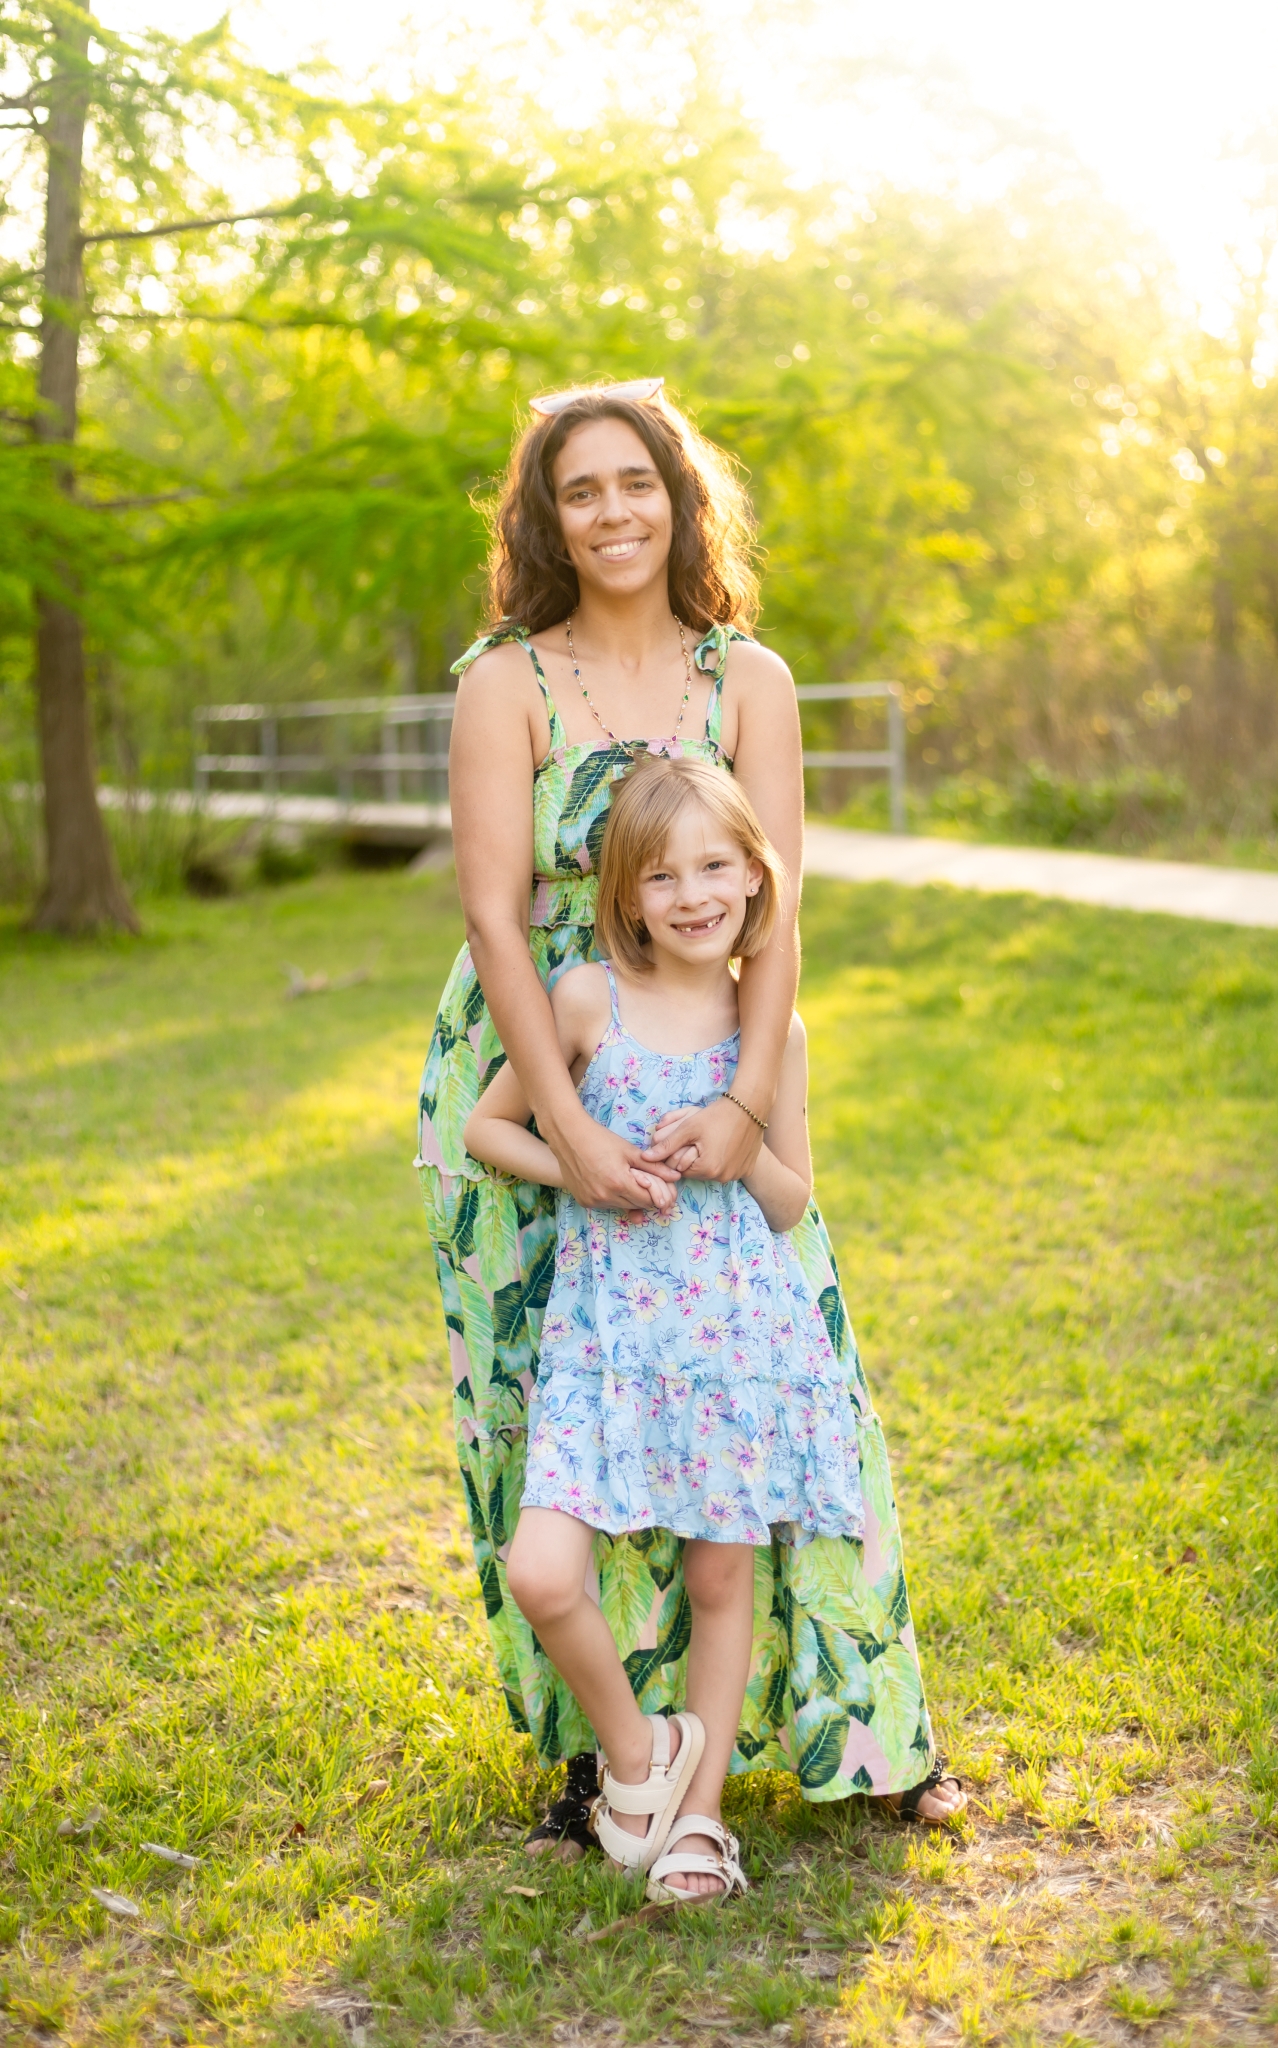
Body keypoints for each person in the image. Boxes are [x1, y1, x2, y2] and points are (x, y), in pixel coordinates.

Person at [414, 377, 965, 1862]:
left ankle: (862, 1733)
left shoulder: (749, 679)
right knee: (559, 1408)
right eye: (579, 490)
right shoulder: (504, 682)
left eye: (636, 482)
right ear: (546, 518)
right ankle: (607, 1754)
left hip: (716, 1059)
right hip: (538, 1058)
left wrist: (742, 1100)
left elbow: (778, 909)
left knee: (778, 1377)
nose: (612, 513)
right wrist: (572, 1136)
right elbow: (492, 913)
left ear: (679, 498)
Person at [464, 756, 866, 1900]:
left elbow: (792, 1197)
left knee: (720, 1579)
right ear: (627, 897)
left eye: (715, 865)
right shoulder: (587, 1000)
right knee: (544, 1573)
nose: (694, 893)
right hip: (605, 1346)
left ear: (755, 875)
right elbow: (490, 1128)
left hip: (731, 1342)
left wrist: (729, 1143)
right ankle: (642, 1751)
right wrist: (582, 1165)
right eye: (663, 875)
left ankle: (700, 1821)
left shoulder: (769, 1031)